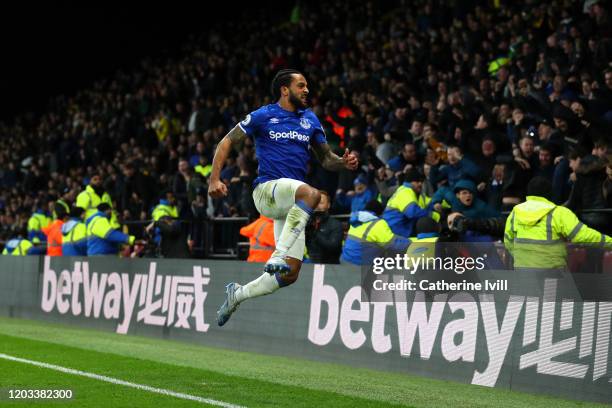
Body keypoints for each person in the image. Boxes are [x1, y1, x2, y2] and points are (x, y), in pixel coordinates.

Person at [208, 69, 358, 326]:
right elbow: (226, 141)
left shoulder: (310, 120)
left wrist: (343, 162)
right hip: (266, 191)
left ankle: (237, 294)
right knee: (310, 193)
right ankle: (277, 255)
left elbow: (326, 159)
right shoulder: (264, 115)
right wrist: (214, 178)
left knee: (289, 274)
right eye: (301, 85)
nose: (307, 90)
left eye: (307, 85)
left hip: (289, 203)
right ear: (284, 90)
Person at [504, 177, 612, 269]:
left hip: (523, 273)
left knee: (524, 294)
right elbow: (583, 236)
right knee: (551, 294)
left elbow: (508, 241)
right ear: (549, 193)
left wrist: (524, 259)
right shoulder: (559, 213)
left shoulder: (515, 212)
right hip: (551, 273)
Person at [341, 200, 409, 265]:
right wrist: (409, 243)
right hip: (363, 262)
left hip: (348, 257)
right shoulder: (378, 223)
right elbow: (393, 244)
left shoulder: (356, 220)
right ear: (379, 213)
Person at [383, 168, 438, 238]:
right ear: (411, 182)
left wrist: (436, 204)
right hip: (397, 232)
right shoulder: (406, 192)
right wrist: (432, 215)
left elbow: (429, 202)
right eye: (417, 181)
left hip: (400, 229)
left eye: (421, 181)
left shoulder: (412, 192)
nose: (420, 184)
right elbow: (413, 213)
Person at [305, 190, 343, 264]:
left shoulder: (336, 224)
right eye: (315, 202)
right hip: (309, 265)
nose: (317, 205)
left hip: (329, 267)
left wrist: (315, 233)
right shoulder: (307, 223)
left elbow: (333, 247)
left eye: (321, 203)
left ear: (328, 205)